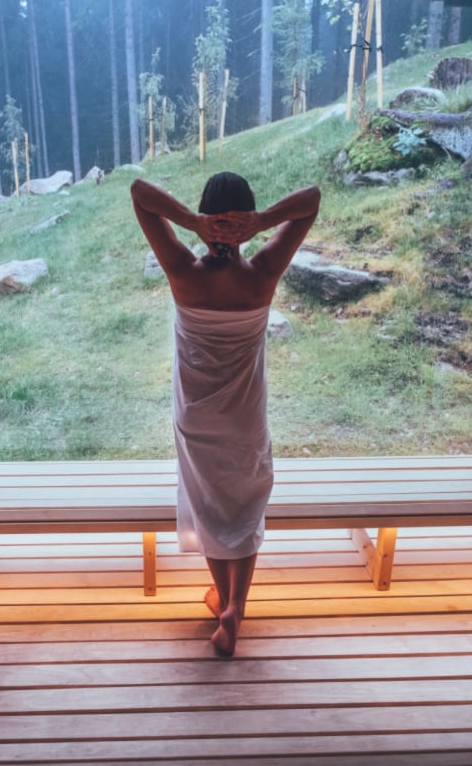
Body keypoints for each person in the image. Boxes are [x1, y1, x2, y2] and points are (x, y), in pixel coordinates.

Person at [130, 173, 320, 655]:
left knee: (209, 507)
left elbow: (140, 193)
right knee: (244, 505)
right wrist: (261, 223)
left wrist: (194, 223)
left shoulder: (182, 272)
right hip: (245, 418)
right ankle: (236, 603)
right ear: (245, 223)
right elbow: (310, 199)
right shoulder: (262, 276)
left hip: (196, 418)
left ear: (205, 215)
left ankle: (225, 604)